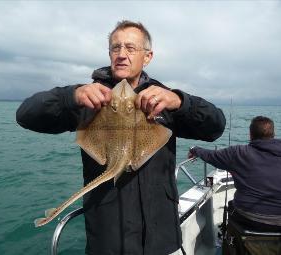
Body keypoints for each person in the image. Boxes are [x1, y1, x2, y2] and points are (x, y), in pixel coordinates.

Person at [16, 20, 226, 255]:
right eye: (115, 48)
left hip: (163, 242)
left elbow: (215, 127)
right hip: (109, 244)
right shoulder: (91, 99)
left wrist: (181, 102)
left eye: (130, 48)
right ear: (109, 54)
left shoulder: (162, 100)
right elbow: (25, 115)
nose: (121, 54)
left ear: (147, 56)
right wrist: (70, 96)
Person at [189, 116, 281, 232]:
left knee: (232, 207)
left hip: (248, 218)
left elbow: (211, 156)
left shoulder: (238, 153)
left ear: (250, 135)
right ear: (273, 134)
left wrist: (194, 149)